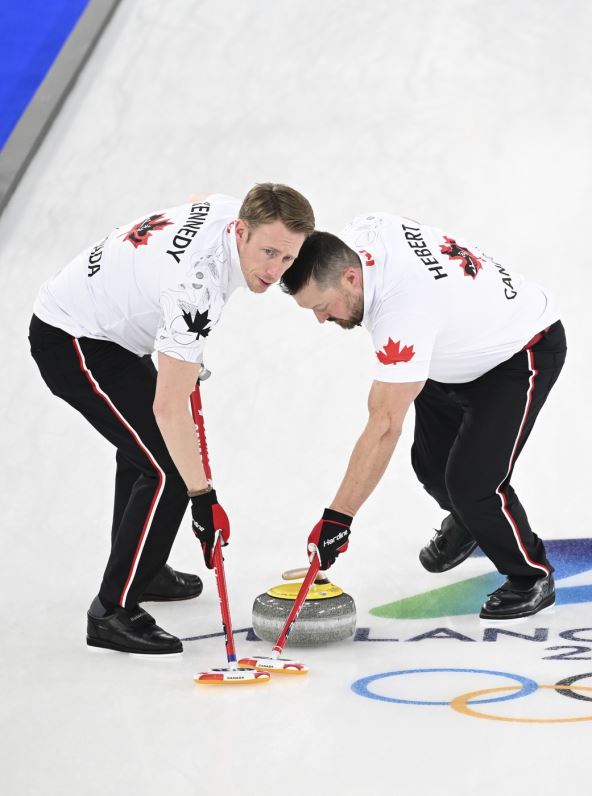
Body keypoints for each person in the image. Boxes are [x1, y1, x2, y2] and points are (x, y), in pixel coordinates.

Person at [29, 184, 314, 654]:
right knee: (168, 469)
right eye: (267, 252)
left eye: (287, 259)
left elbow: (193, 215)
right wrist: (203, 498)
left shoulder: (230, 210)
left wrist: (183, 351)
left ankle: (144, 560)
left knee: (145, 451)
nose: (273, 270)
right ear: (240, 230)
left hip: (105, 324)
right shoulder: (195, 289)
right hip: (73, 339)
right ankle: (112, 612)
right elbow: (168, 407)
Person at [281, 212, 566, 620]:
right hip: (448, 349)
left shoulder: (402, 314)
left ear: (349, 278)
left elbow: (383, 426)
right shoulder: (362, 234)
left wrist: (337, 521)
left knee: (474, 484)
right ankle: (471, 522)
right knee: (430, 465)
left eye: (323, 307)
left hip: (518, 353)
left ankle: (531, 576)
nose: (321, 319)